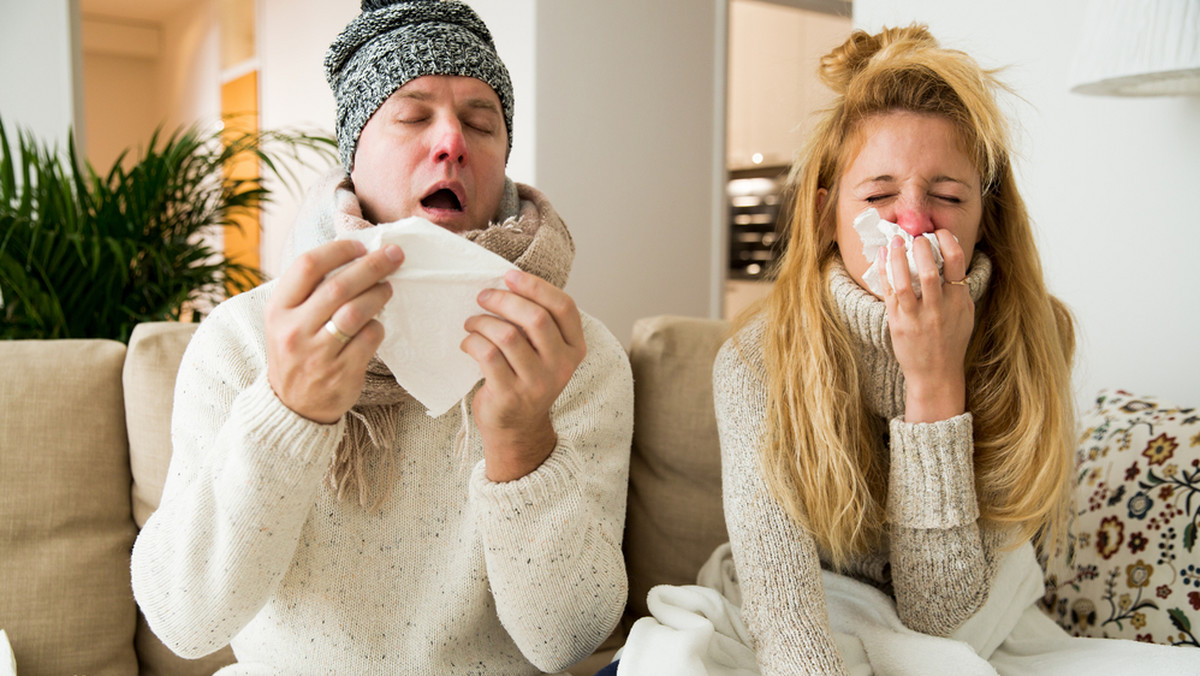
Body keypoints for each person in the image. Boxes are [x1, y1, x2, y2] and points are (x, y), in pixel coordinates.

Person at [130, 1, 632, 673]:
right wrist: (287, 412)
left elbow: (568, 641)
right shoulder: (245, 340)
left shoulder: (570, 354)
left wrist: (522, 442)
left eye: (481, 123)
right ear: (353, 155)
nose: (451, 140)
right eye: (412, 115)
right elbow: (184, 622)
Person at [706, 24, 1197, 676]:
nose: (912, 221)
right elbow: (789, 626)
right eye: (879, 196)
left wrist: (934, 382)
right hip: (808, 609)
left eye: (946, 196)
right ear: (827, 215)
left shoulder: (1035, 337)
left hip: (975, 615)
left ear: (984, 216)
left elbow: (942, 612)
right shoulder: (753, 361)